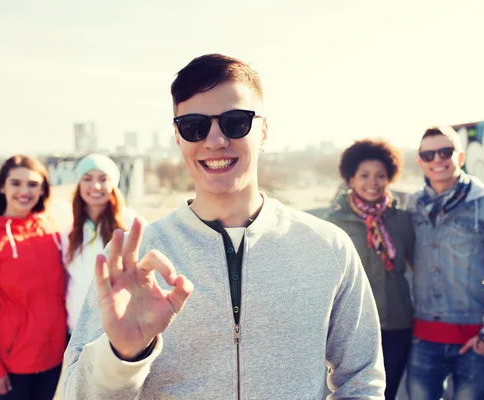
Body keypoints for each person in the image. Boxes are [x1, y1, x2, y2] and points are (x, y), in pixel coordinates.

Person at [62, 53, 385, 399]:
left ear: (263, 130)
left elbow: (362, 379)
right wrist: (123, 356)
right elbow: (74, 394)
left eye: (235, 122)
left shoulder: (327, 246)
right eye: (194, 126)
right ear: (177, 136)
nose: (214, 140)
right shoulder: (134, 259)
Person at [406, 126, 484, 399]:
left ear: (460, 156)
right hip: (424, 339)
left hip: (473, 339)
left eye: (446, 151)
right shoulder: (412, 205)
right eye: (429, 154)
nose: (438, 159)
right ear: (421, 161)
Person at [0, 155, 67, 399]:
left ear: (43, 189)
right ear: (2, 187)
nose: (24, 191)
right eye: (16, 183)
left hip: (54, 357)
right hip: (13, 363)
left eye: (32, 184)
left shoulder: (51, 229)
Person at [325, 139, 414, 400]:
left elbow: (417, 266)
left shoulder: (402, 220)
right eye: (364, 175)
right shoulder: (335, 223)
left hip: (398, 324)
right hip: (353, 329)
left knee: (389, 392)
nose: (372, 182)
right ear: (351, 179)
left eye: (380, 176)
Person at [62, 153, 139, 338]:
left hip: (116, 331)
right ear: (79, 184)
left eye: (103, 179)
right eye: (87, 179)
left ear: (113, 184)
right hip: (77, 332)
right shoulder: (69, 231)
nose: (95, 186)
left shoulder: (131, 224)